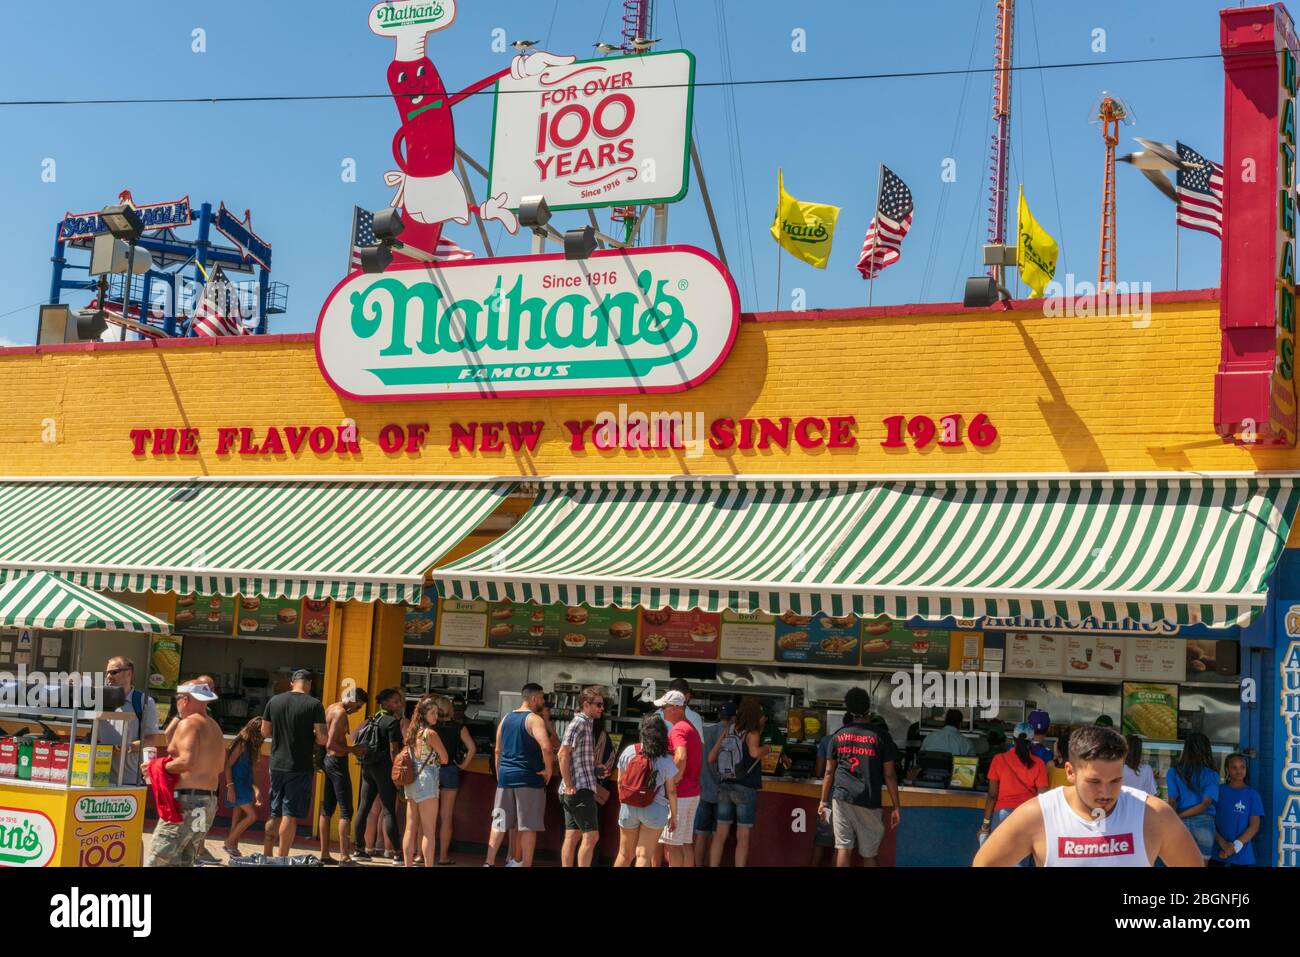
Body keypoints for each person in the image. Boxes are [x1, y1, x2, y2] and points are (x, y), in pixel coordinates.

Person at [973, 725, 1203, 867]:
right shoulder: (1038, 814)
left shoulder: (1153, 815)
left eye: (1115, 780)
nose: (1105, 792)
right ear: (1070, 772)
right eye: (1094, 782)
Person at [817, 688, 900, 867]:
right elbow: (890, 774)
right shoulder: (881, 736)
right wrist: (896, 806)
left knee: (843, 848)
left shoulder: (838, 736)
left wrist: (823, 801)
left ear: (848, 709)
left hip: (841, 798)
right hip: (868, 800)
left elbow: (829, 772)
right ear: (868, 708)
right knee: (869, 854)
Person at [145, 682, 225, 866]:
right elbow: (219, 766)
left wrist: (155, 767)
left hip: (186, 802)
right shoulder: (214, 727)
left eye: (178, 699)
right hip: (208, 802)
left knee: (158, 859)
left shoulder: (190, 723)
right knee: (185, 860)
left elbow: (186, 762)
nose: (177, 703)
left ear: (185, 700)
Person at [485, 683, 554, 867]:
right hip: (529, 779)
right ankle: (525, 864)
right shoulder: (534, 720)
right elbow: (547, 747)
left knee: (498, 822)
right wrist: (549, 770)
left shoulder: (506, 718)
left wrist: (501, 775)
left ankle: (489, 862)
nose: (543, 701)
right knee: (528, 826)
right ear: (533, 698)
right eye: (541, 697)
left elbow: (497, 750)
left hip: (506, 779)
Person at [260, 668, 327, 858]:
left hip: (277, 763)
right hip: (300, 766)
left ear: (292, 683)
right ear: (309, 684)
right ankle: (282, 859)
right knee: (289, 814)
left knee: (275, 812)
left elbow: (264, 732)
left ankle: (266, 856)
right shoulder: (314, 704)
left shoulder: (274, 701)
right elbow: (322, 739)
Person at [708, 696, 769, 867]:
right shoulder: (753, 732)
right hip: (745, 787)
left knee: (720, 834)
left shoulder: (729, 730)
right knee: (743, 836)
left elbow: (711, 758)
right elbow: (755, 753)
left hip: (725, 785)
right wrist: (768, 749)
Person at [614, 714, 679, 867]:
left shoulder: (630, 750)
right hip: (655, 809)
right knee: (643, 855)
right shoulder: (666, 759)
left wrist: (625, 802)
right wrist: (674, 816)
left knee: (624, 854)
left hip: (628, 807)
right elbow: (671, 791)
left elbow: (620, 781)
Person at [979, 722, 1048, 864]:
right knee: (1019, 861)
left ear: (1013, 739)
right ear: (1031, 741)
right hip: (1027, 816)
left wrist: (985, 825)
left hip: (1002, 815)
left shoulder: (999, 760)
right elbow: (1043, 798)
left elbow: (992, 796)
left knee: (998, 859)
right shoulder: (1039, 763)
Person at [352, 688, 405, 862]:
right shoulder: (392, 722)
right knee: (389, 810)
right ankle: (397, 853)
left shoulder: (371, 719)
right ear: (386, 703)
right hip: (384, 770)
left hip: (368, 768)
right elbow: (393, 750)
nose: (399, 704)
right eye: (396, 701)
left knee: (364, 807)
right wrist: (395, 773)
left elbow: (354, 739)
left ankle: (359, 848)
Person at [318, 687, 368, 865]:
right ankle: (345, 856)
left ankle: (324, 854)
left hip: (329, 761)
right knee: (346, 810)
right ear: (352, 699)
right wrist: (352, 750)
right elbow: (330, 743)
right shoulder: (340, 714)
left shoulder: (331, 708)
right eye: (358, 706)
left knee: (327, 808)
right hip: (336, 762)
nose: (357, 710)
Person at [558, 685, 606, 867]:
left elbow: (575, 757)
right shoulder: (579, 723)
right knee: (592, 836)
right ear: (586, 705)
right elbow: (562, 753)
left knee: (572, 835)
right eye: (599, 705)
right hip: (578, 790)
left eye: (603, 705)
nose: (602, 709)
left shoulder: (586, 723)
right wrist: (570, 785)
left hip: (576, 788)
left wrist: (595, 767)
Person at [402, 694, 449, 867]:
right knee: (429, 831)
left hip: (411, 778)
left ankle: (407, 864)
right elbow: (445, 758)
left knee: (410, 827)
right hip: (427, 779)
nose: (436, 716)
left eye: (437, 713)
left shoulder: (413, 731)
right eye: (433, 713)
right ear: (424, 714)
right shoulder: (431, 733)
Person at [658, 689, 703, 866]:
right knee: (684, 844)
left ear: (676, 708)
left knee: (672, 845)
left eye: (665, 707)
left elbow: (681, 756)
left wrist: (673, 779)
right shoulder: (689, 727)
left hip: (681, 794)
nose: (662, 711)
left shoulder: (678, 730)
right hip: (692, 793)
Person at [101, 656, 162, 786]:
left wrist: (127, 746)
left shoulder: (143, 701)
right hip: (98, 776)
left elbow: (151, 739)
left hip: (128, 779)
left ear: (129, 673)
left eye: (114, 672)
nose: (108, 676)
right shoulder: (99, 699)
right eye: (107, 672)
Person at [432, 694, 476, 865]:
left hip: (431, 770)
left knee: (425, 816)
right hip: (450, 770)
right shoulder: (459, 727)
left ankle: (420, 855)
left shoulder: (430, 726)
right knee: (446, 816)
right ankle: (443, 857)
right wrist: (463, 765)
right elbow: (472, 748)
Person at [1166, 732, 1220, 861]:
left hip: (1180, 823)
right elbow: (1205, 803)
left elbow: (1172, 801)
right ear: (1206, 750)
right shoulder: (1212, 774)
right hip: (1204, 822)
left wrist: (1176, 818)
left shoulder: (1174, 772)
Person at [695, 702, 733, 867]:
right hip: (723, 794)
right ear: (734, 718)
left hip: (703, 792)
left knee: (701, 835)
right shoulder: (731, 736)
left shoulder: (704, 732)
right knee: (718, 837)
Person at [221, 716, 264, 858]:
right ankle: (228, 843)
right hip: (237, 785)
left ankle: (233, 849)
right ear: (256, 730)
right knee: (252, 816)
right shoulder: (242, 743)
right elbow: (228, 765)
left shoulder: (252, 746)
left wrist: (256, 790)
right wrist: (230, 786)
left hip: (245, 785)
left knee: (237, 819)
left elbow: (250, 772)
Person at [1213, 753, 1263, 866]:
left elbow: (1254, 826)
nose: (1239, 770)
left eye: (1242, 767)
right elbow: (1210, 820)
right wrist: (1224, 844)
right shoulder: (1218, 791)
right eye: (1234, 767)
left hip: (1242, 853)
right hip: (1218, 850)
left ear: (1246, 769)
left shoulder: (1253, 795)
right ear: (1227, 770)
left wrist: (1235, 846)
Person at [810, 714, 842, 867]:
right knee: (841, 846)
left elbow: (820, 771)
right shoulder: (862, 741)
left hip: (828, 799)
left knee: (821, 842)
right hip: (848, 800)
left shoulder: (827, 740)